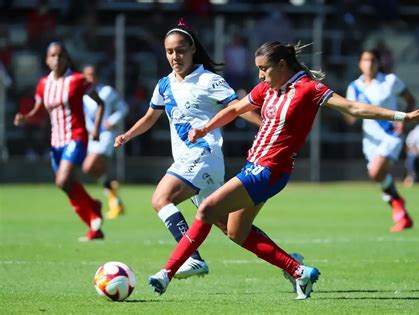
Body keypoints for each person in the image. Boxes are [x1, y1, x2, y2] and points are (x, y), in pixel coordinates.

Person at [147, 41, 419, 300]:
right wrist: (206, 127)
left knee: (206, 209)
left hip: (269, 170)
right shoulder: (268, 88)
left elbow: (353, 108)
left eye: (264, 69)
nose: (260, 76)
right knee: (236, 231)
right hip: (255, 166)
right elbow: (235, 109)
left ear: (282, 65)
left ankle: (168, 273)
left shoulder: (309, 88)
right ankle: (299, 272)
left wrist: (404, 115)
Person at [114, 20, 262, 279]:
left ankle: (192, 258)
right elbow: (150, 117)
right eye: (170, 51)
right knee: (231, 228)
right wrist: (127, 134)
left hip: (203, 156)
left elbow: (237, 107)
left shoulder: (209, 80)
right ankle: (291, 264)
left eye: (180, 50)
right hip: (190, 162)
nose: (175, 56)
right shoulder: (164, 84)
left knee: (161, 199)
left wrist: (266, 125)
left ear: (192, 48)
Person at [14, 41, 105, 241]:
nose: (57, 59)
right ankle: (93, 221)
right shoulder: (43, 84)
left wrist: (96, 128)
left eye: (61, 55)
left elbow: (100, 103)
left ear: (66, 59)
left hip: (77, 136)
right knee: (66, 185)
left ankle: (93, 212)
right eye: (53, 55)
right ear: (47, 60)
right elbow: (39, 113)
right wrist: (25, 117)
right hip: (56, 141)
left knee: (63, 180)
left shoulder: (78, 80)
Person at [345, 48, 417, 232]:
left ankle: (398, 203)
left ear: (378, 63)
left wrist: (403, 122)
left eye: (372, 60)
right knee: (379, 176)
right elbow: (351, 117)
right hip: (370, 140)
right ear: (360, 63)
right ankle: (401, 211)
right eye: (365, 60)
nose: (368, 64)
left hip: (390, 136)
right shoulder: (354, 87)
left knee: (376, 173)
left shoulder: (390, 81)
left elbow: (410, 99)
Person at [82, 64, 128, 219]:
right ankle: (114, 198)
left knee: (89, 166)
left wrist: (112, 120)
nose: (90, 78)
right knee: (96, 170)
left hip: (106, 135)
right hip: (92, 137)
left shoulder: (107, 91)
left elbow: (123, 107)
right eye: (87, 75)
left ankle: (112, 192)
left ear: (98, 76)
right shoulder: (83, 95)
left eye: (93, 74)